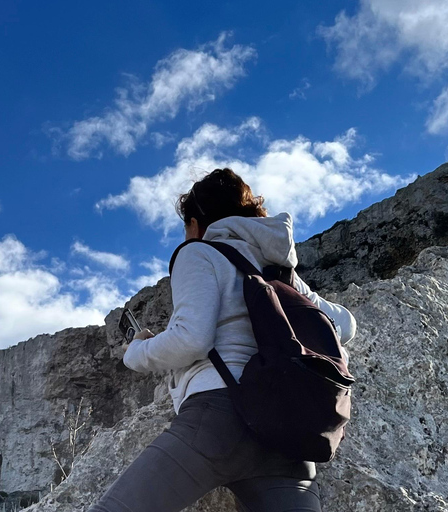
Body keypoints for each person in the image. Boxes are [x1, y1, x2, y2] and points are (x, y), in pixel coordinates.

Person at [88, 168, 357, 512]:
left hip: (219, 420)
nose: (187, 236)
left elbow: (191, 340)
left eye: (187, 227)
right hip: (288, 438)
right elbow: (345, 325)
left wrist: (137, 351)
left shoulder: (199, 252)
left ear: (196, 223)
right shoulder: (282, 272)